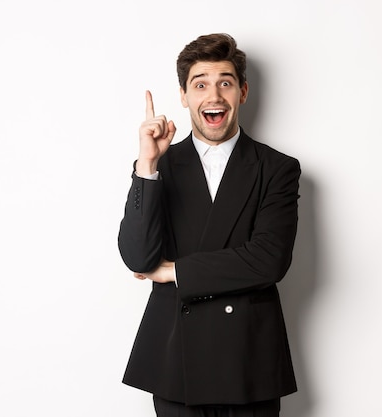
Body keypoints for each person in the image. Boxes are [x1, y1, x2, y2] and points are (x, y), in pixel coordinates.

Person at [118, 33, 301, 417]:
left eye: (225, 82)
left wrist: (175, 271)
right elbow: (138, 257)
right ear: (184, 96)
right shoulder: (158, 168)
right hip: (177, 361)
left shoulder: (277, 169)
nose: (213, 96)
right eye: (200, 84)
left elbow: (268, 261)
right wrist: (146, 165)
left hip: (249, 362)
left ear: (243, 92)